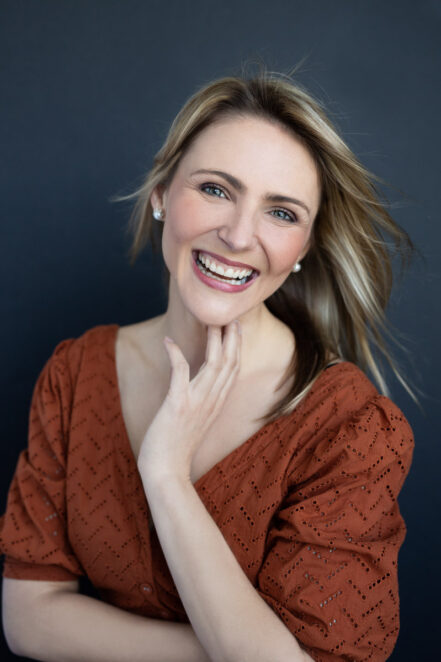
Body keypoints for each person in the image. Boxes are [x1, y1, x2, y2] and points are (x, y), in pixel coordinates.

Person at [0, 70, 415, 662]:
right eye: (217, 189)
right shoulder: (75, 374)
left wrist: (167, 474)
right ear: (162, 194)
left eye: (282, 213)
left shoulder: (348, 428)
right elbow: (29, 617)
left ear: (303, 249)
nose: (239, 235)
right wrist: (228, 649)